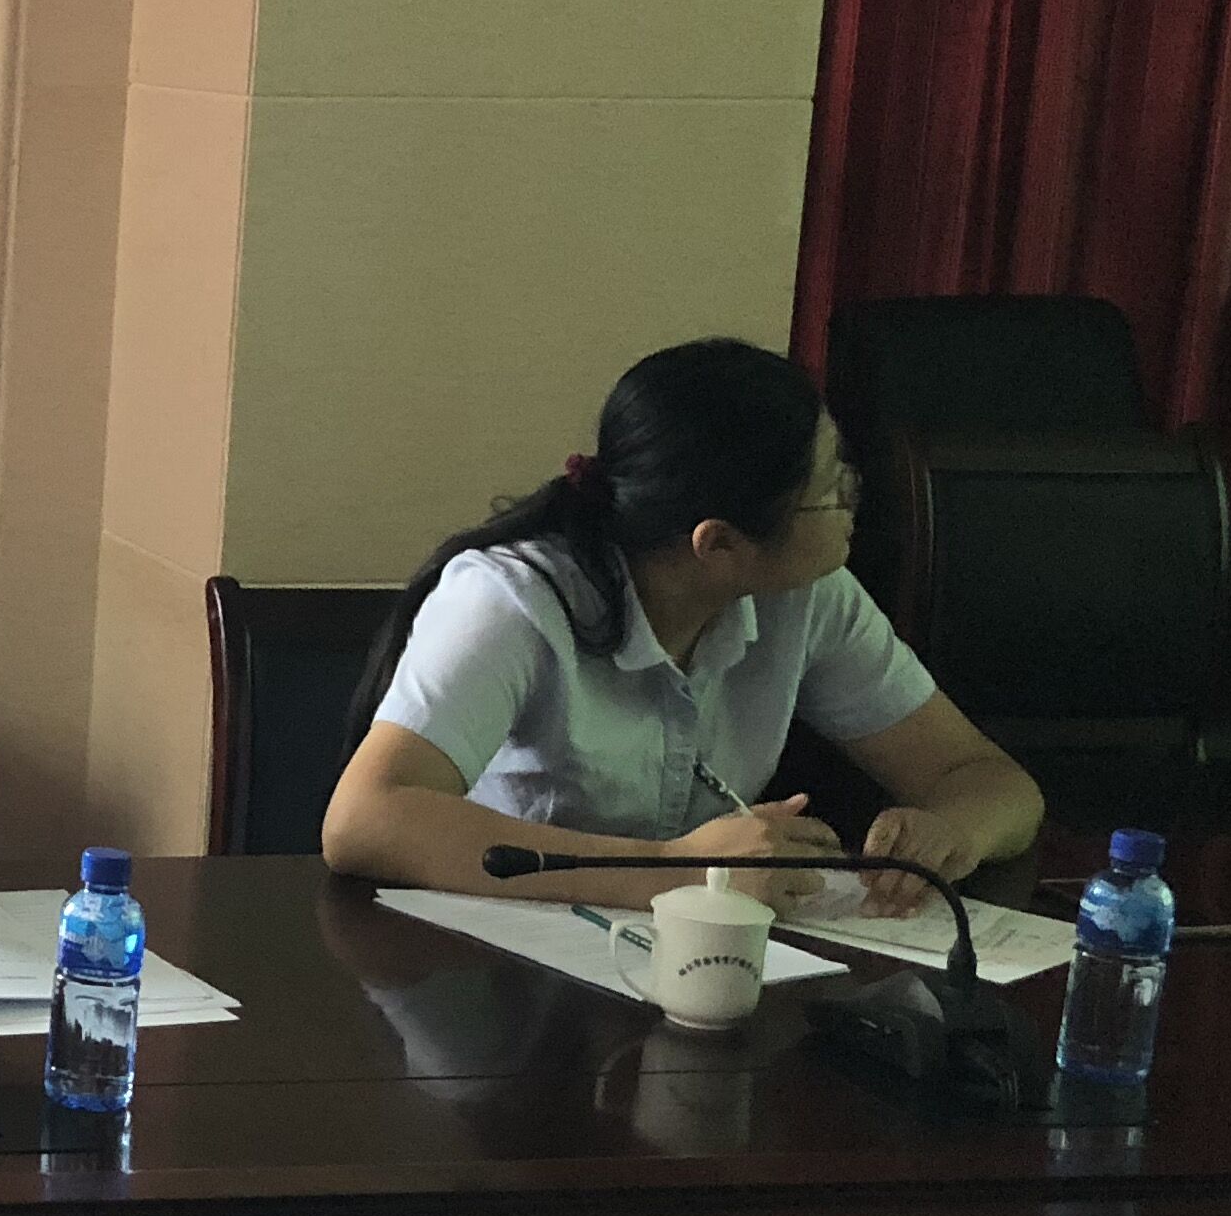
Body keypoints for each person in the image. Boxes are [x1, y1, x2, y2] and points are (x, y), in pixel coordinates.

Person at [322, 336, 1042, 914]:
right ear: (718, 544)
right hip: (491, 979)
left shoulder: (808, 597)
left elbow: (989, 780)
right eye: (831, 491)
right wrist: (677, 870)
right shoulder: (513, 599)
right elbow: (366, 820)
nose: (857, 502)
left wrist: (952, 831)